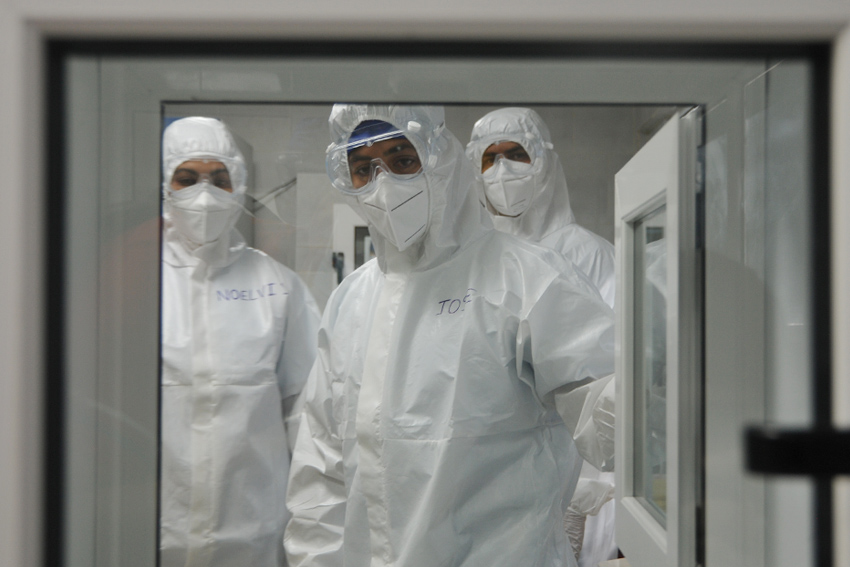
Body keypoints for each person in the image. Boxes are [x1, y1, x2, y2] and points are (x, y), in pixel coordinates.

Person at [285, 105, 615, 567]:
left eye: (403, 161)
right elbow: (321, 464)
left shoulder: (526, 277)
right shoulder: (350, 301)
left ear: (440, 157)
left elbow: (613, 416)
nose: (383, 184)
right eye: (363, 169)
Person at [159, 116, 320, 567]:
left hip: (254, 531)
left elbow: (310, 417)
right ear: (165, 186)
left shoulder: (277, 286)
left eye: (219, 179)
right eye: (187, 178)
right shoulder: (135, 283)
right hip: (154, 529)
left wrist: (315, 527)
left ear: (239, 186)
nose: (204, 195)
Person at [467, 107, 618, 567]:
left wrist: (588, 496)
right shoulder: (471, 263)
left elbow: (607, 384)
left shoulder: (592, 256)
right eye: (489, 159)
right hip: (485, 493)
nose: (502, 171)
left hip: (576, 493)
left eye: (516, 154)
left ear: (546, 163)